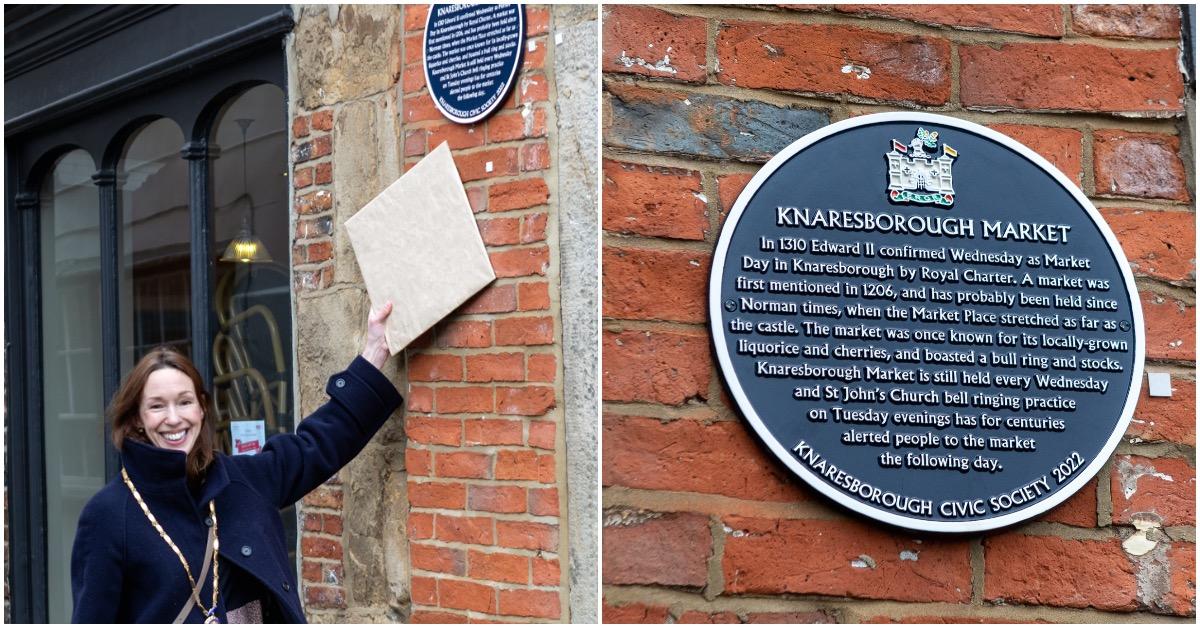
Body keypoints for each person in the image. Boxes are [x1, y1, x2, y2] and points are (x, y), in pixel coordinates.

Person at [71, 302, 400, 623]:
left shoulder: (242, 481)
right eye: (157, 406)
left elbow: (318, 444)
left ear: (201, 408)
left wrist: (374, 352)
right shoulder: (107, 515)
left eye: (184, 402)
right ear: (137, 418)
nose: (173, 418)